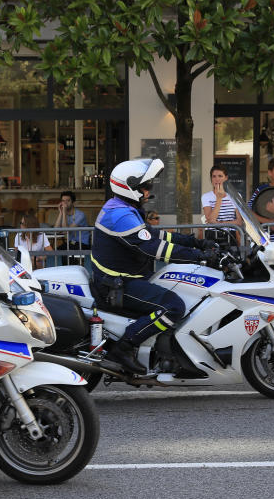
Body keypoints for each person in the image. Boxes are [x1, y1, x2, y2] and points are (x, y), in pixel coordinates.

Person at [90, 158, 217, 375]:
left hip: (124, 277)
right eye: (145, 186)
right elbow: (154, 248)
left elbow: (157, 235)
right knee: (174, 306)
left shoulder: (124, 208)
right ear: (129, 188)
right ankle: (124, 347)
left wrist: (196, 242)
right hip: (117, 284)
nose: (149, 190)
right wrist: (200, 258)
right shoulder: (119, 215)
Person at [201, 166, 243, 245]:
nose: (217, 179)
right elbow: (210, 220)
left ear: (226, 178)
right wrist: (219, 199)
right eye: (214, 176)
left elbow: (239, 222)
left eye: (220, 176)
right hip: (212, 235)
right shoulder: (206, 196)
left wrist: (220, 222)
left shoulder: (236, 195)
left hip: (231, 235)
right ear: (211, 179)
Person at [53, 190, 91, 265]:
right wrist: (61, 213)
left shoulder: (80, 215)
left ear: (73, 202)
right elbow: (56, 230)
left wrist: (63, 212)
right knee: (54, 252)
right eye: (63, 201)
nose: (65, 203)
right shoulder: (64, 213)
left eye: (68, 201)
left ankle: (69, 274)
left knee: (65, 253)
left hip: (82, 243)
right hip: (70, 243)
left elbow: (66, 230)